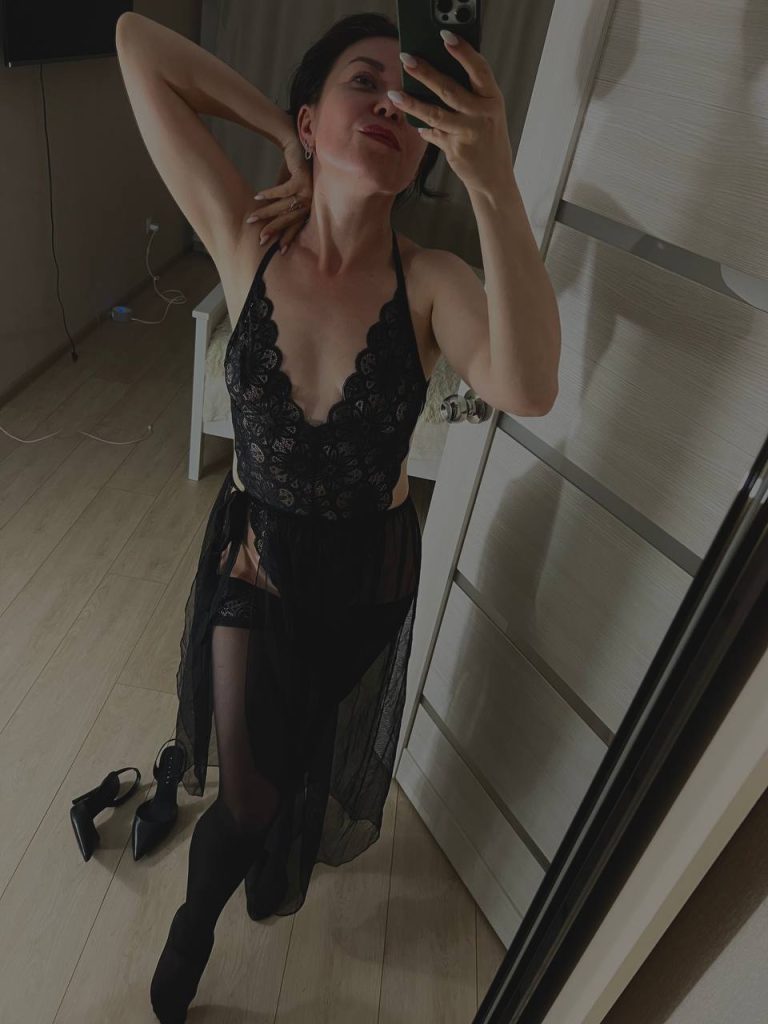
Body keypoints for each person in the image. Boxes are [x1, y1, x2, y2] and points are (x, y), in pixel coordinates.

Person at [116, 8, 549, 1020]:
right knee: (250, 791)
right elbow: (138, 42)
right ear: (315, 119)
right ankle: (194, 923)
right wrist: (283, 130)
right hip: (255, 557)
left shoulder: (431, 282)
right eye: (365, 80)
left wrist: (493, 177)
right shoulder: (249, 238)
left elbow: (527, 386)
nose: (392, 101)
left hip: (368, 581)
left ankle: (271, 823)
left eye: (412, 96)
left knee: (303, 736)